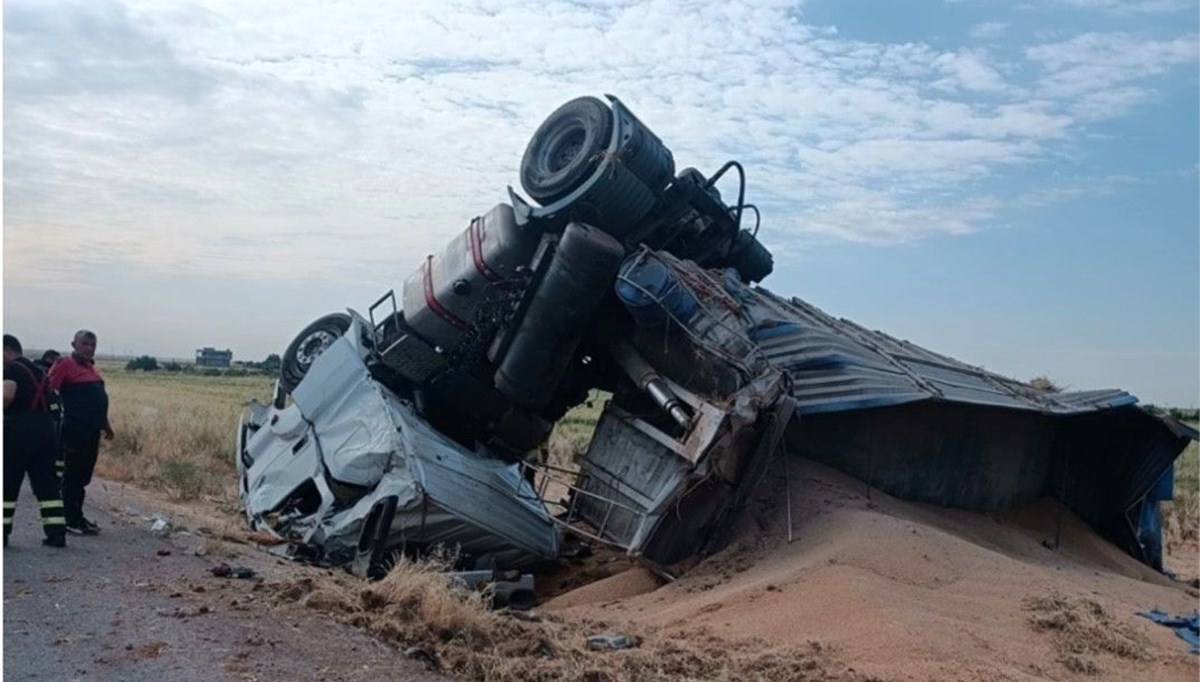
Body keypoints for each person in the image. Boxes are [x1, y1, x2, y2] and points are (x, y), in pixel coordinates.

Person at [3, 334, 67, 547]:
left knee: (8, 482)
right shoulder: (39, 371)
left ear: (6, 349)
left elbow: (7, 396)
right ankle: (56, 533)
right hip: (46, 429)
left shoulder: (11, 368)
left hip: (19, 430)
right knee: (46, 483)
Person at [48, 330, 113, 536]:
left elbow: (98, 401)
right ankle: (69, 518)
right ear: (74, 344)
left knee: (83, 476)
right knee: (73, 476)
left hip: (92, 431)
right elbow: (49, 391)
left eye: (93, 344)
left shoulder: (91, 368)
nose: (89, 348)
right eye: (85, 344)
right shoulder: (65, 364)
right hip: (75, 430)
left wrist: (106, 426)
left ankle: (77, 515)